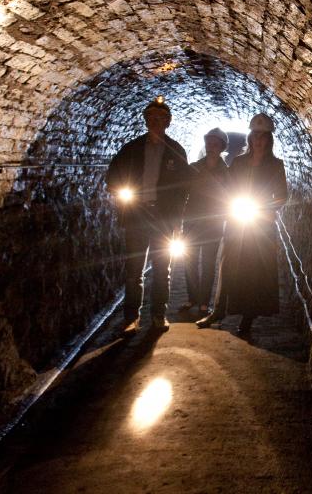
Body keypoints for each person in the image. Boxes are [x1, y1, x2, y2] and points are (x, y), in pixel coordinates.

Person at [196, 113, 288, 335]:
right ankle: (218, 311)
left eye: (263, 136)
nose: (259, 140)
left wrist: (266, 209)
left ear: (269, 140)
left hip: (261, 226)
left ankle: (248, 318)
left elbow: (282, 195)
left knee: (254, 272)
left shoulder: (276, 165)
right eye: (255, 135)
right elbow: (226, 187)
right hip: (238, 222)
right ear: (250, 137)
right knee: (227, 265)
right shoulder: (238, 162)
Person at [106, 97, 189, 333]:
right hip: (137, 215)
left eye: (160, 118)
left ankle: (158, 315)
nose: (155, 122)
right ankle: (131, 318)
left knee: (163, 269)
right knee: (134, 271)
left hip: (163, 217)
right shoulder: (131, 149)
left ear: (168, 122)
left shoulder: (176, 151)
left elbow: (184, 188)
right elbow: (112, 176)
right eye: (151, 117)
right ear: (145, 120)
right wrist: (121, 192)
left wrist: (177, 219)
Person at [179, 128, 229, 315]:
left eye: (215, 144)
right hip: (192, 220)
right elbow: (183, 192)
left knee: (208, 262)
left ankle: (204, 302)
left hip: (213, 223)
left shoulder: (226, 172)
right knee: (189, 261)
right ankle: (192, 298)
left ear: (221, 147)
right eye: (209, 143)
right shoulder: (193, 168)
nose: (211, 147)